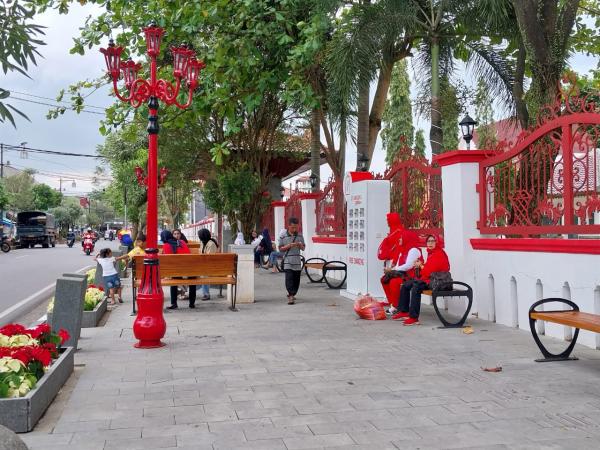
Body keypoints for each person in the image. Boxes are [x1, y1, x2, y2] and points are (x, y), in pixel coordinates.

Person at [393, 234, 450, 325]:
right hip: (430, 279)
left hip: (438, 282)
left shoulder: (438, 253)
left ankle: (414, 318)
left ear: (437, 242)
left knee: (416, 287)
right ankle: (404, 312)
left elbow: (428, 272)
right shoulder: (431, 253)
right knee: (406, 284)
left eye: (433, 241)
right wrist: (421, 265)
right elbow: (427, 270)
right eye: (428, 241)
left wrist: (420, 265)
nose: (430, 243)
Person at [382, 229, 423, 315]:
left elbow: (409, 265)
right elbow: (398, 264)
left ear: (407, 238)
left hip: (411, 276)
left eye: (401, 238)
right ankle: (393, 303)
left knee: (394, 282)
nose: (399, 239)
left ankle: (396, 306)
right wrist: (391, 270)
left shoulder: (413, 250)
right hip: (403, 274)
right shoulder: (403, 249)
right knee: (384, 279)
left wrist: (393, 270)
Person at [160, 230, 196, 309]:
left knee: (173, 281)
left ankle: (174, 304)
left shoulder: (166, 245)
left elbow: (168, 261)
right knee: (193, 280)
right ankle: (192, 303)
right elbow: (188, 254)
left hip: (177, 270)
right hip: (190, 269)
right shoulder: (182, 242)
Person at [278, 217, 305, 305]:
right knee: (289, 278)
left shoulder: (300, 236)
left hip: (297, 260)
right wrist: (289, 246)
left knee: (296, 279)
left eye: (296, 227)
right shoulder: (283, 236)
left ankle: (293, 293)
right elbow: (280, 249)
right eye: (293, 227)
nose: (294, 229)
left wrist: (300, 245)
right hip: (287, 260)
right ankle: (290, 295)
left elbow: (303, 248)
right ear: (288, 226)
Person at [198, 228, 219, 300]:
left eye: (200, 235)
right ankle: (189, 292)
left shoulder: (211, 243)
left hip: (211, 266)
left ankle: (206, 294)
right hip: (204, 265)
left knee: (203, 275)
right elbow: (200, 254)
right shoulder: (203, 242)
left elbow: (210, 258)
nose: (199, 237)